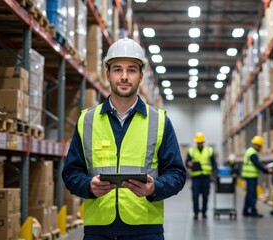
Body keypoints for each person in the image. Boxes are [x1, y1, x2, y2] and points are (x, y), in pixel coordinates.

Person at [62, 37, 187, 240]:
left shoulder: (160, 121)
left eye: (131, 70)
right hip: (98, 230)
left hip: (146, 229)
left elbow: (177, 174)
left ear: (140, 76)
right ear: (108, 74)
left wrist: (155, 188)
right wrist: (88, 186)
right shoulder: (87, 120)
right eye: (118, 69)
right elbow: (71, 172)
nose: (124, 76)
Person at [186, 132, 218, 220]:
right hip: (196, 177)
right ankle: (196, 213)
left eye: (200, 142)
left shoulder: (209, 150)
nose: (199, 144)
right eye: (198, 142)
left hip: (206, 177)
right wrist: (189, 164)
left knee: (205, 195)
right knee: (195, 196)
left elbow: (214, 163)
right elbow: (187, 162)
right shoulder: (191, 151)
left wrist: (215, 172)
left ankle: (204, 212)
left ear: (203, 142)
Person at [241, 135, 273, 218]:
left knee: (249, 194)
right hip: (251, 176)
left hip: (249, 176)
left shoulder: (250, 151)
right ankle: (253, 211)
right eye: (260, 146)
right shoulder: (252, 153)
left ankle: (246, 210)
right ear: (257, 145)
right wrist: (266, 170)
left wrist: (264, 168)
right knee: (252, 194)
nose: (260, 148)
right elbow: (257, 164)